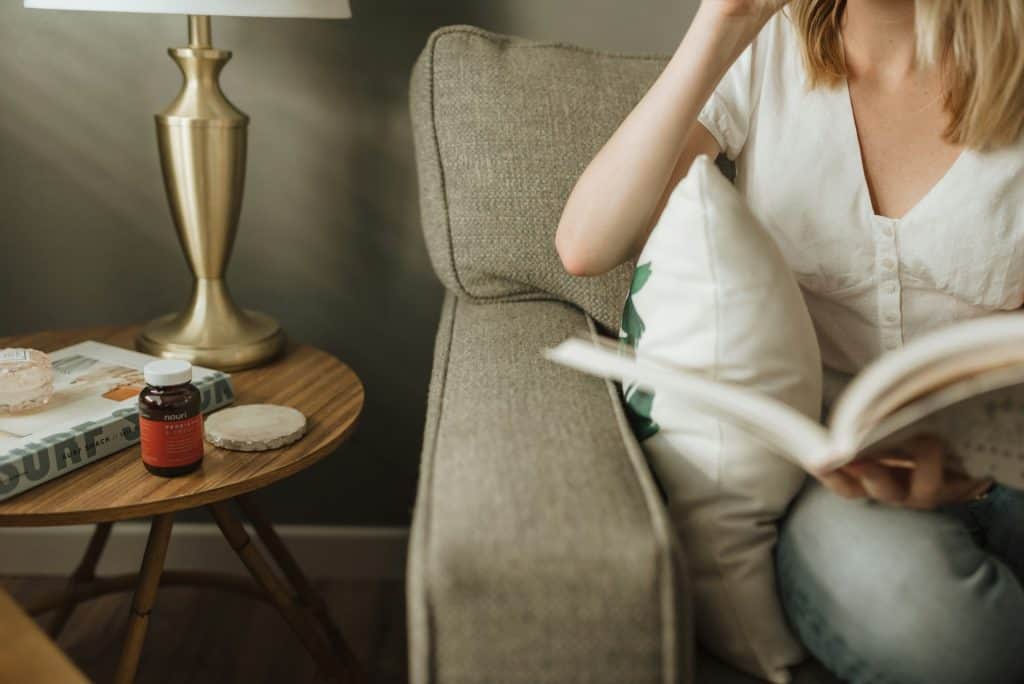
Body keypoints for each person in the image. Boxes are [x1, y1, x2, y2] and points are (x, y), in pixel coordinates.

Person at [554, 1, 1024, 682]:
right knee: (938, 635)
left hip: (1008, 453)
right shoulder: (764, 53)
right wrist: (721, 23)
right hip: (849, 488)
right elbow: (586, 243)